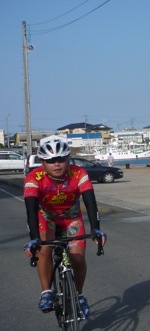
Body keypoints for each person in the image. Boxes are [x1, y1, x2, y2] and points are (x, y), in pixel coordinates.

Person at [22, 135, 106, 317]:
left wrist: (95, 228)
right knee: (44, 250)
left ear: (68, 159)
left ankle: (79, 295)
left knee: (77, 258)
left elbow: (90, 202)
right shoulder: (33, 177)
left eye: (61, 159)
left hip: (71, 219)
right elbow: (31, 210)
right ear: (43, 163)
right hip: (46, 219)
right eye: (51, 161)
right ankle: (46, 292)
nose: (57, 164)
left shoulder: (79, 174)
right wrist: (34, 239)